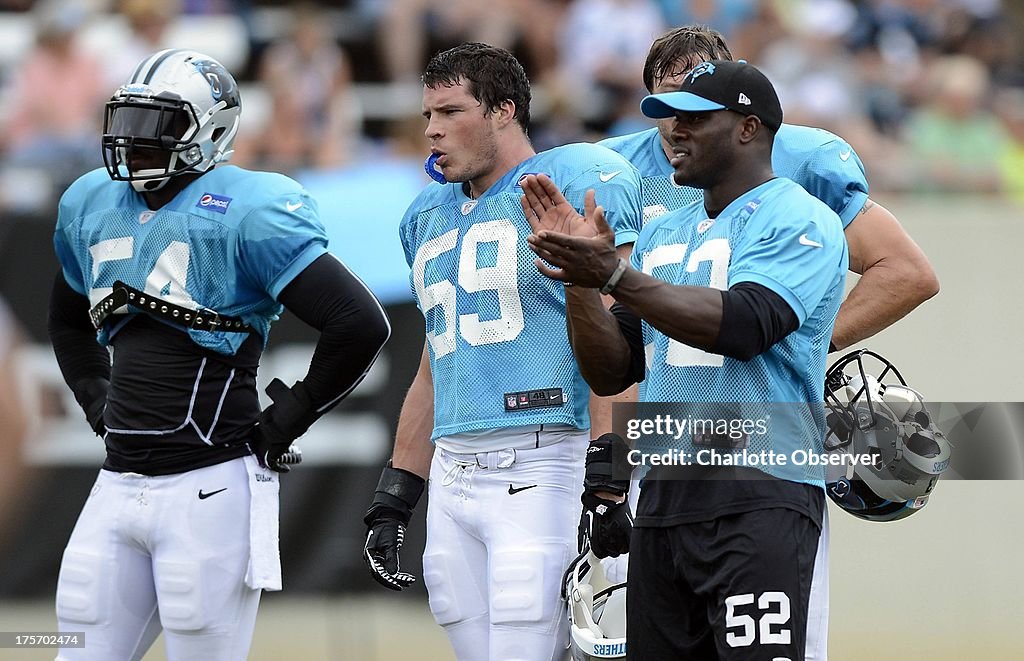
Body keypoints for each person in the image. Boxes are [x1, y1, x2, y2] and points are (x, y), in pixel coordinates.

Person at [47, 49, 390, 660]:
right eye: (129, 120)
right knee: (74, 645)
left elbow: (358, 322)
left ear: (210, 131)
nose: (133, 140)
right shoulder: (90, 203)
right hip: (117, 482)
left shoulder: (248, 209)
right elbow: (68, 322)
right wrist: (96, 398)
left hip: (210, 485)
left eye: (159, 125)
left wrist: (290, 416)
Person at [521, 60, 846, 660]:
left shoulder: (802, 217)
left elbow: (746, 324)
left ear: (748, 128)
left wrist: (616, 274)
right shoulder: (664, 228)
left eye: (695, 118)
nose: (674, 130)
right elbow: (612, 368)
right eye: (669, 117)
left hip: (760, 488)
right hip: (666, 494)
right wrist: (578, 284)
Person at [360, 43, 643, 660]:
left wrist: (612, 465)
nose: (431, 128)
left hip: (546, 455)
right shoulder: (424, 217)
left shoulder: (570, 182)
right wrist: (398, 488)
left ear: (503, 111)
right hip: (456, 468)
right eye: (427, 112)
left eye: (451, 110)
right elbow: (435, 363)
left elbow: (619, 341)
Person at [599, 25, 938, 355]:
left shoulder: (805, 157)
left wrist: (809, 348)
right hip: (656, 396)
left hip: (757, 396)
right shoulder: (608, 167)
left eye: (699, 99)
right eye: (674, 95)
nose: (684, 114)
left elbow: (905, 271)